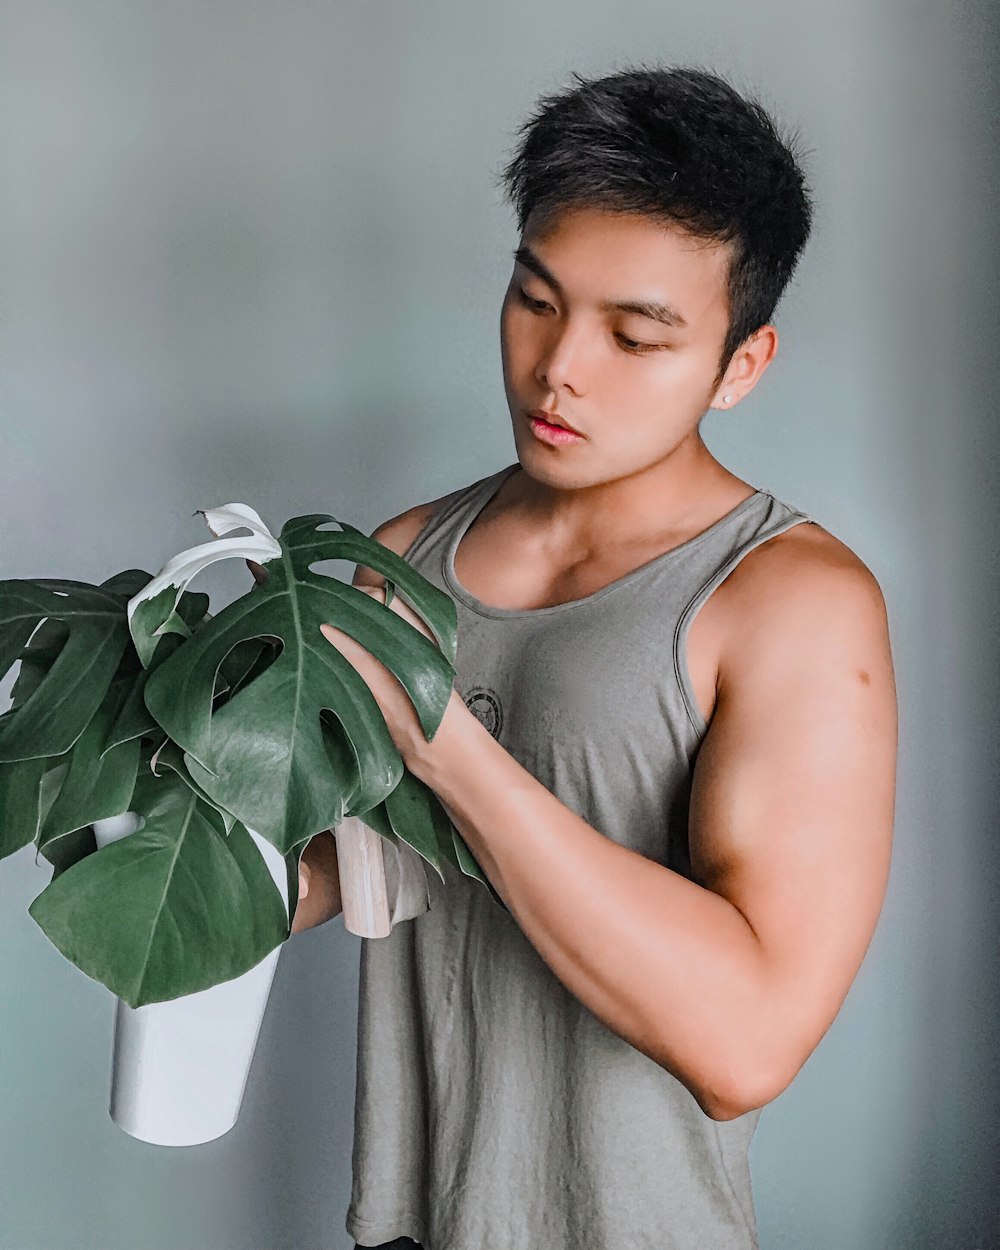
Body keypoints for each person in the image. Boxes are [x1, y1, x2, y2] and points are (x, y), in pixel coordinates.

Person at [293, 63, 898, 1250]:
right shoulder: (407, 551)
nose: (560, 365)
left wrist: (444, 741)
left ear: (741, 364)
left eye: (635, 334)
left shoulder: (791, 603)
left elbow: (745, 1043)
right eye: (534, 299)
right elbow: (321, 871)